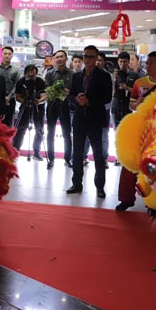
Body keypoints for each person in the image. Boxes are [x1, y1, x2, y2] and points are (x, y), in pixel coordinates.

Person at [116, 51, 156, 211]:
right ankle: (126, 198)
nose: (147, 66)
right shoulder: (139, 82)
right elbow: (131, 105)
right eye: (147, 63)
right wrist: (137, 104)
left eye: (151, 63)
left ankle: (154, 203)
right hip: (140, 128)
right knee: (130, 162)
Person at [67, 45, 112, 198]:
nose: (87, 59)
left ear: (97, 58)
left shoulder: (104, 76)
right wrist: (77, 100)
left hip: (95, 119)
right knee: (77, 153)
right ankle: (76, 183)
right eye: (86, 56)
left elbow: (107, 98)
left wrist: (89, 101)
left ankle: (100, 186)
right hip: (79, 118)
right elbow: (71, 95)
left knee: (98, 155)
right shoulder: (76, 75)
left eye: (91, 57)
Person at [44, 50, 73, 169]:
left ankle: (68, 158)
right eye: (57, 57)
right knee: (50, 133)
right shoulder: (50, 74)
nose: (60, 59)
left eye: (62, 57)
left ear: (66, 59)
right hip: (52, 106)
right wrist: (55, 92)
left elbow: (75, 90)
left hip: (66, 106)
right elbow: (46, 90)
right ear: (54, 59)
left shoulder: (72, 74)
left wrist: (68, 92)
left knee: (67, 134)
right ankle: (51, 159)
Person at [12, 64, 47, 159]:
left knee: (39, 129)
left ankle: (36, 152)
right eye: (29, 74)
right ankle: (15, 150)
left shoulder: (40, 81)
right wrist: (24, 101)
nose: (31, 76)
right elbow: (17, 96)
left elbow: (44, 95)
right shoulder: (21, 82)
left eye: (33, 74)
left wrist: (38, 101)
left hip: (38, 108)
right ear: (25, 73)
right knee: (20, 129)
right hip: (25, 107)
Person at [111, 51, 138, 167]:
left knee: (126, 133)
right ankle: (118, 156)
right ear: (118, 62)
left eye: (125, 62)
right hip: (116, 105)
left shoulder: (134, 75)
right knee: (117, 132)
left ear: (129, 62)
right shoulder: (114, 75)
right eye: (121, 61)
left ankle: (125, 157)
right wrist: (114, 79)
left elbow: (138, 93)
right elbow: (111, 92)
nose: (122, 64)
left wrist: (127, 87)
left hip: (128, 107)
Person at [0, 46, 21, 127]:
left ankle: (8, 140)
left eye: (9, 54)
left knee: (9, 124)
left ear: (12, 56)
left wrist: (9, 97)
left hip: (10, 100)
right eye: (5, 53)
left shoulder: (16, 69)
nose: (7, 55)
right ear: (1, 55)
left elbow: (17, 85)